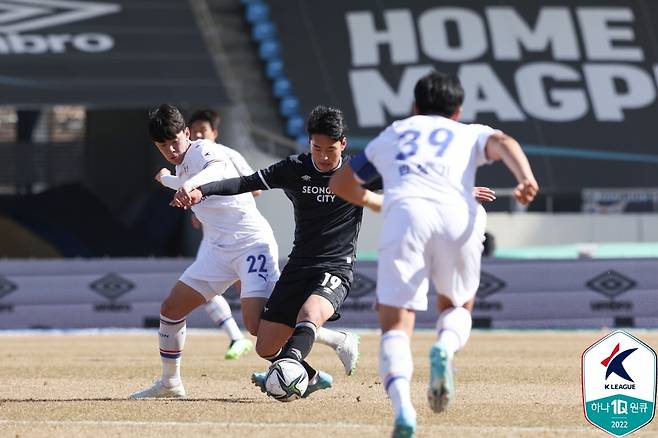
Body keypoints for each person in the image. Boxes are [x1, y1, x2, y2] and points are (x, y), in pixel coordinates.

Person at [329, 71, 538, 437]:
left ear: (414, 106)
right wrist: (525, 178)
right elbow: (503, 141)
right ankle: (444, 345)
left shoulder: (394, 133)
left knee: (396, 325)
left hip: (406, 216)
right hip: (459, 215)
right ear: (457, 111)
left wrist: (380, 202)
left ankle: (405, 412)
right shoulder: (469, 132)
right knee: (457, 306)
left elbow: (342, 183)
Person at [171, 106, 370, 398]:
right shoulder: (294, 168)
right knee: (264, 345)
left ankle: (289, 367)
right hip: (299, 265)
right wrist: (204, 190)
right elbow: (244, 183)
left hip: (335, 267)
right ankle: (324, 358)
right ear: (309, 143)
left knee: (310, 312)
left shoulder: (359, 172)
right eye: (317, 148)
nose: (324, 156)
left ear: (343, 144)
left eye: (331, 149)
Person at [130, 104, 280, 399]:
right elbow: (186, 181)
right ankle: (170, 384)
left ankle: (324, 344)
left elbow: (217, 170)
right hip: (218, 251)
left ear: (187, 133)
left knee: (256, 326)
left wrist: (184, 185)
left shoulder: (202, 150)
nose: (171, 150)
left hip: (251, 244)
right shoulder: (180, 164)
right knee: (171, 309)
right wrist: (167, 179)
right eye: (163, 146)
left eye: (175, 141)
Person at [187, 108, 260, 360]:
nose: (198, 135)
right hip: (213, 239)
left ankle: (321, 337)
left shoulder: (228, 155)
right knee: (203, 291)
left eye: (203, 130)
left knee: (254, 296)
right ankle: (236, 337)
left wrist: (226, 205)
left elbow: (256, 188)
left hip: (239, 237)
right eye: (194, 130)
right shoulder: (189, 162)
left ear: (214, 133)